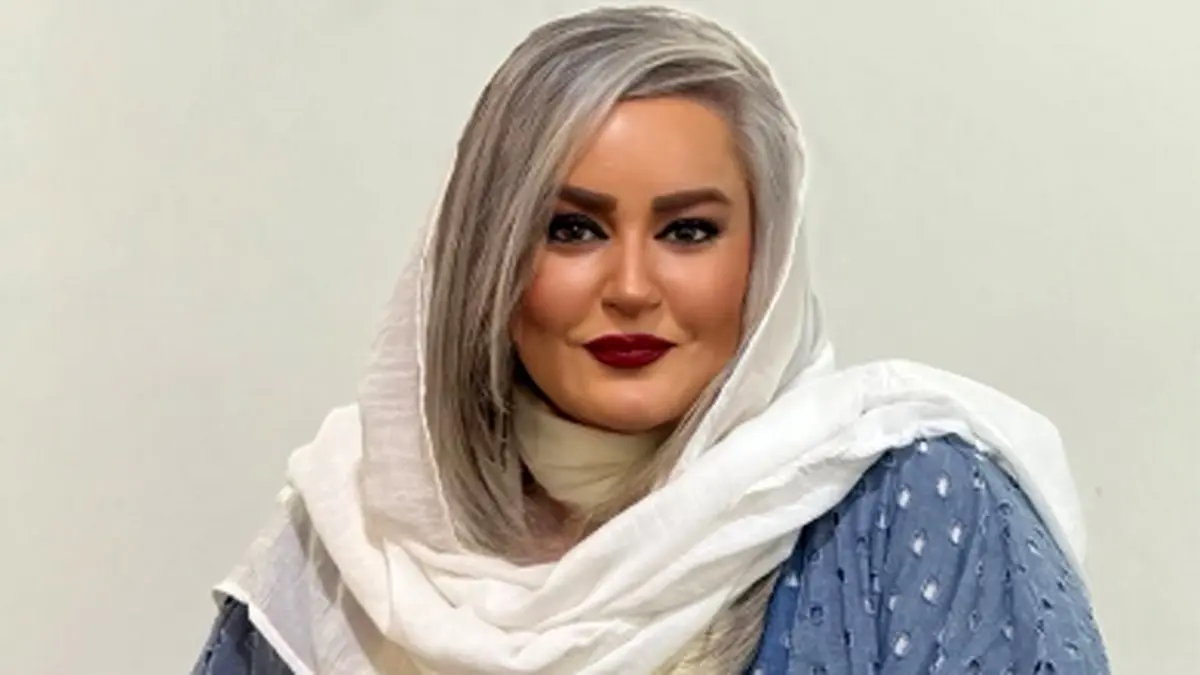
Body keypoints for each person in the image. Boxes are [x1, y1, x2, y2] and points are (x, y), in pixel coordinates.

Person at [191, 6, 1109, 674]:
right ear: (486, 255)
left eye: (688, 231)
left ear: (765, 259)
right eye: (572, 229)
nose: (631, 287)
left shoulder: (916, 507)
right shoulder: (354, 538)